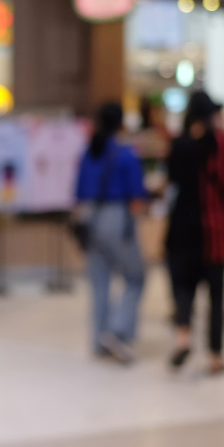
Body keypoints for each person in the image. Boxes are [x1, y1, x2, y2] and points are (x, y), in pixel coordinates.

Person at [166, 91, 224, 375]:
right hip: (215, 227)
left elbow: (172, 181)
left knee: (184, 288)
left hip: (183, 227)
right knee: (216, 295)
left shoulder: (180, 145)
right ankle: (216, 354)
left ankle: (184, 335)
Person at [74, 103, 147, 364]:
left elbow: (78, 195)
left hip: (90, 218)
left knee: (99, 282)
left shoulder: (87, 153)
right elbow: (137, 197)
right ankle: (117, 331)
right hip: (116, 217)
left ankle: (98, 338)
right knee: (136, 277)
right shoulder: (126, 154)